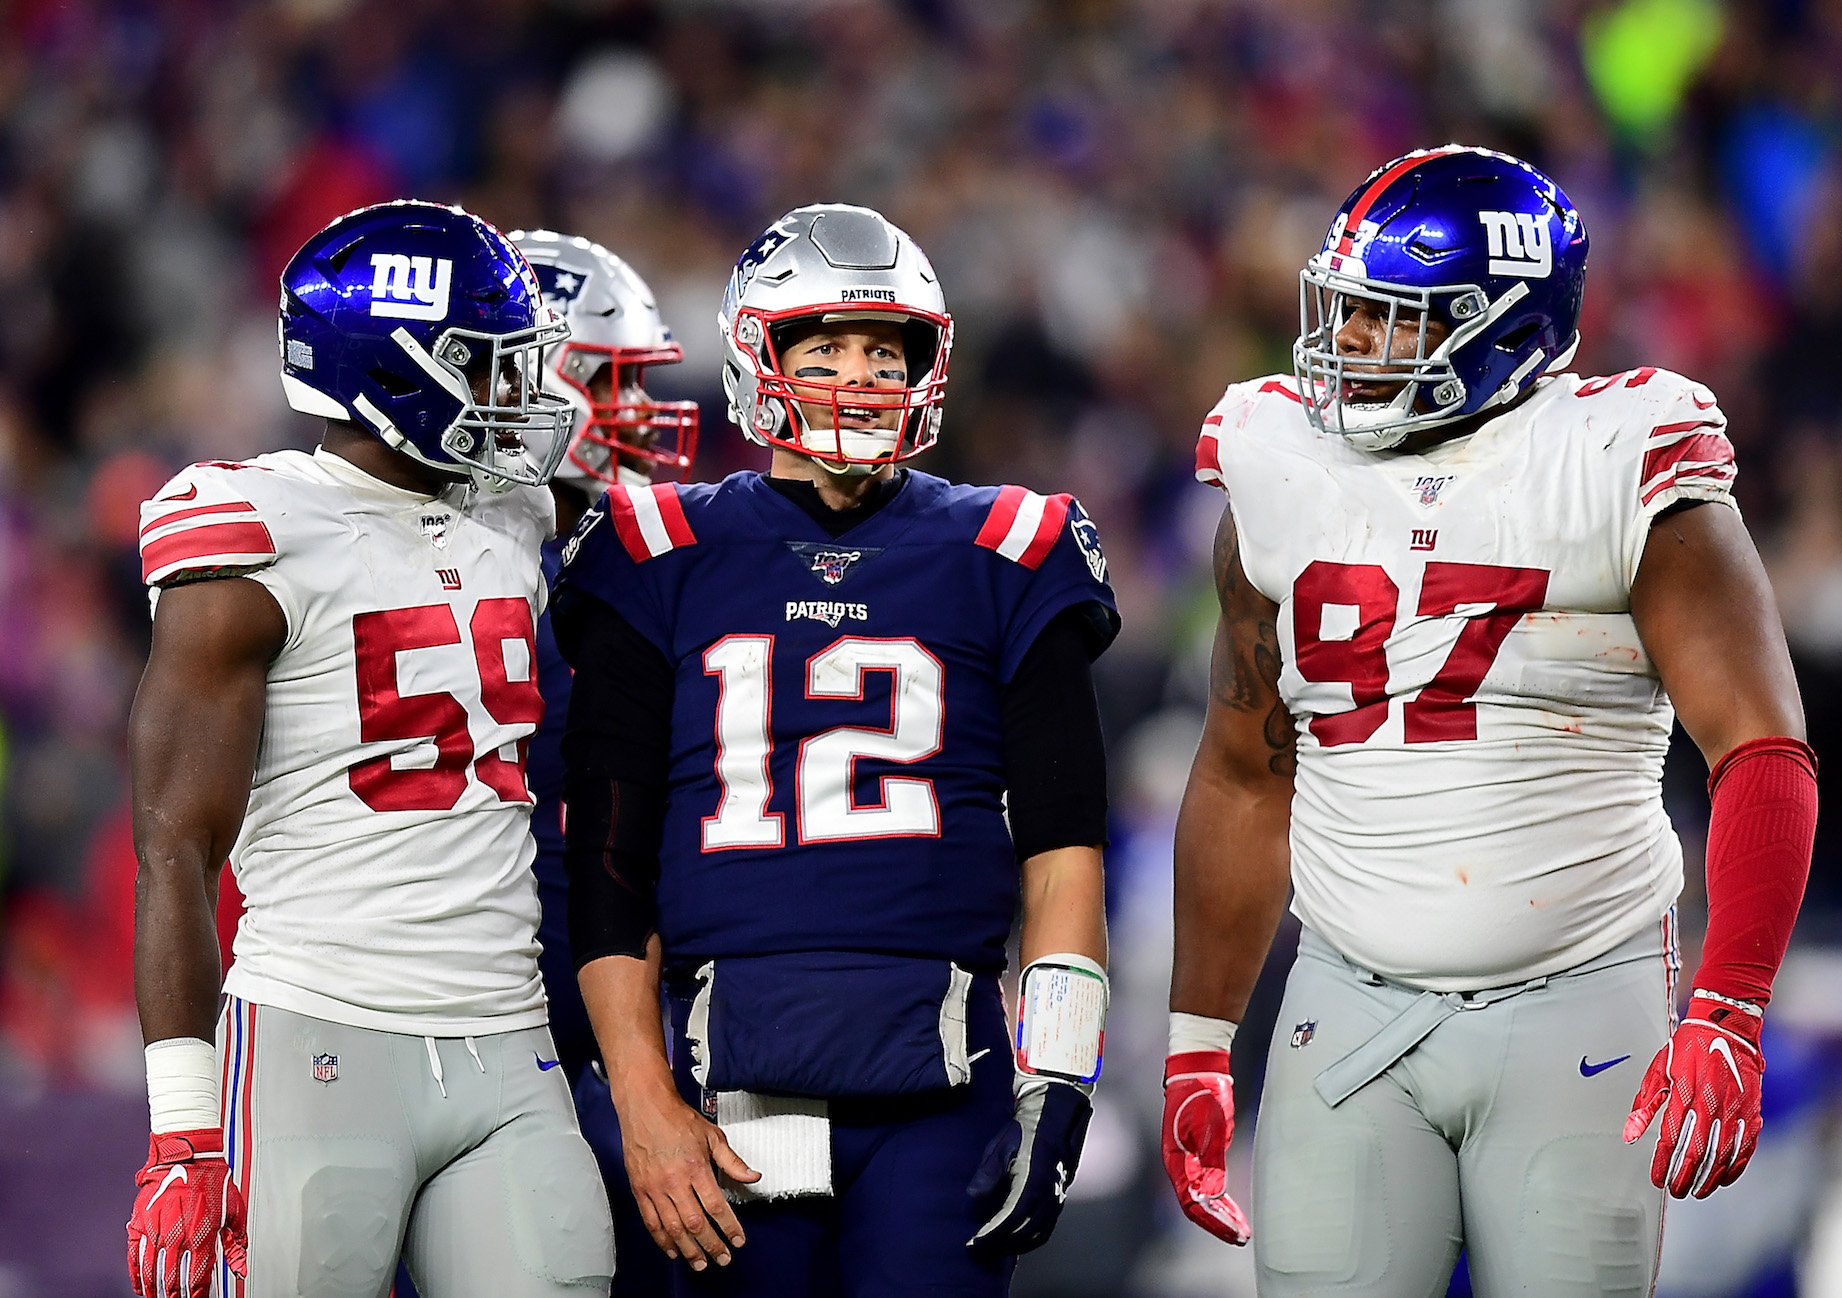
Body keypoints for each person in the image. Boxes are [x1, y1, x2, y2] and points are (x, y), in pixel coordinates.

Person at [1162, 146, 1817, 1297]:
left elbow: (1759, 751)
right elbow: (1243, 772)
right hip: (1343, 994)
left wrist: (1727, 1005)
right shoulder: (1279, 461)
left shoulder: (1613, 458)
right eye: (1346, 313)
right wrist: (1197, 1038)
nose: (1346, 345)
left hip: (1580, 999)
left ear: (1502, 324)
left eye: (1387, 318)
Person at [553, 203, 1117, 1297]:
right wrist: (637, 1091)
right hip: (734, 1066)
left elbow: (1063, 847)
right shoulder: (655, 549)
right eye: (825, 348)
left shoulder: (1008, 544)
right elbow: (610, 864)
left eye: (882, 348)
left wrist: (1060, 1075)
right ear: (759, 356)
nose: (859, 374)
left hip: (941, 1067)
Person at [126, 200, 616, 1298]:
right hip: (317, 1035)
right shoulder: (254, 529)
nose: (517, 396)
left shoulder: (518, 510)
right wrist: (182, 1130)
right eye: (485, 366)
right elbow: (175, 846)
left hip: (510, 1040)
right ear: (391, 370)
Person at [511, 226, 700, 1298]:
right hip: (516, 1023)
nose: (638, 414)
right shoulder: (519, 587)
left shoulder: (607, 568)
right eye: (610, 383)